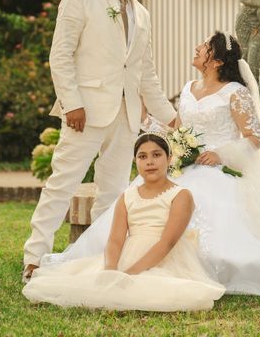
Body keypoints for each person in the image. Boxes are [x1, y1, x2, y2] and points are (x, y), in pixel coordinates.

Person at [40, 31, 260, 299]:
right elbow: (179, 130)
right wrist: (146, 120)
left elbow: (253, 138)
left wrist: (221, 154)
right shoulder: (188, 89)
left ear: (217, 61)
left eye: (205, 47)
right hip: (187, 165)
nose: (197, 48)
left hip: (218, 169)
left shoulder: (235, 93)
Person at [22, 0, 177, 283]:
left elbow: (145, 73)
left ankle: (98, 260)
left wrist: (170, 117)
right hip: (86, 112)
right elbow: (60, 54)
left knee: (113, 193)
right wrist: (72, 103)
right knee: (62, 184)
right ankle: (33, 258)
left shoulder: (143, 15)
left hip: (126, 116)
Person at [22, 133, 225, 311]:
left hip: (165, 257)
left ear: (169, 159)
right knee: (90, 285)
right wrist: (111, 269)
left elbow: (167, 242)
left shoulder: (180, 195)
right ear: (135, 161)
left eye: (157, 155)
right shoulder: (127, 196)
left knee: (156, 290)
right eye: (142, 156)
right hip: (127, 254)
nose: (150, 162)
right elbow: (116, 240)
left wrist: (131, 273)